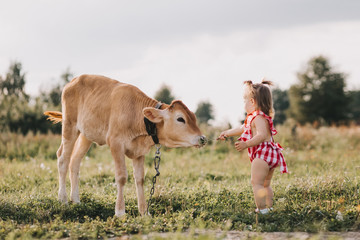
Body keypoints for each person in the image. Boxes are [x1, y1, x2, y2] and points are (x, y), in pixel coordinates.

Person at [218, 80, 288, 214]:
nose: (244, 104)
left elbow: (261, 135)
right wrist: (227, 133)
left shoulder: (258, 118)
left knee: (256, 183)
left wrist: (246, 144)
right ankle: (269, 207)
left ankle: (261, 210)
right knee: (266, 184)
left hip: (262, 154)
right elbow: (242, 128)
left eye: (245, 101)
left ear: (252, 102)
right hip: (271, 154)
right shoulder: (259, 117)